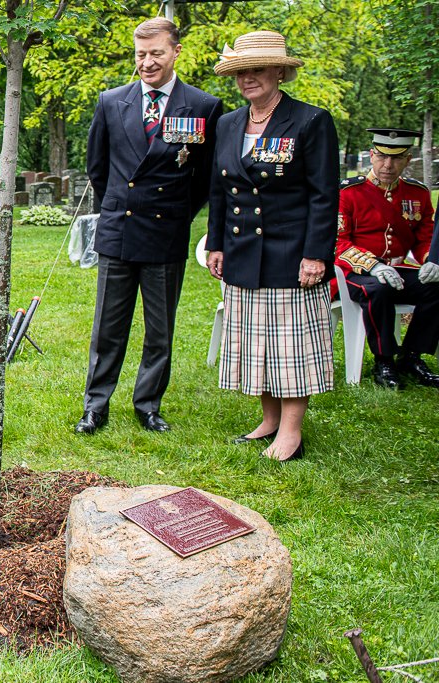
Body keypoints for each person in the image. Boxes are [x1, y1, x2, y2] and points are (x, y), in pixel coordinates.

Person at [77, 18, 222, 435]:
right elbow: (97, 168)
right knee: (108, 327)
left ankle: (148, 405)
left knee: (159, 330)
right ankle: (95, 406)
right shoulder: (111, 100)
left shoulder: (203, 107)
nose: (147, 62)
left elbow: (205, 180)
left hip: (166, 232)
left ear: (176, 52)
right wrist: (120, 207)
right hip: (118, 231)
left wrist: (176, 212)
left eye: (156, 53)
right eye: (141, 54)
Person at [205, 30, 339, 462]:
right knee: (255, 342)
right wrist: (217, 244)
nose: (249, 78)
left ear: (280, 71)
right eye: (241, 71)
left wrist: (316, 254)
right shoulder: (228, 123)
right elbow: (219, 190)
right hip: (243, 253)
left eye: (257, 68)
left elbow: (324, 195)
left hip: (290, 253)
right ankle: (269, 420)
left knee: (289, 346)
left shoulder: (309, 120)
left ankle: (292, 432)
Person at [336, 127, 439, 388]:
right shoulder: (349, 192)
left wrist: (431, 260)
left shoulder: (418, 194)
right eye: (382, 156)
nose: (388, 164)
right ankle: (384, 360)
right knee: (378, 290)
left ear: (407, 159)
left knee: (436, 287)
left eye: (396, 158)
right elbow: (338, 241)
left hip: (399, 269)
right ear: (371, 155)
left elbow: (425, 237)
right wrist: (372, 266)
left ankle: (412, 355)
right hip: (356, 273)